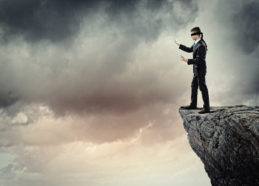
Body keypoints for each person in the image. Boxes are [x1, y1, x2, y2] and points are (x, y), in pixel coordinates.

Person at [175, 27, 210, 114]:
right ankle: (193, 104)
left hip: (200, 69)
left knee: (202, 87)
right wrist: (179, 45)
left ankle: (206, 108)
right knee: (194, 86)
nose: (190, 36)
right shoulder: (196, 43)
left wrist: (188, 60)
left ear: (196, 35)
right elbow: (189, 49)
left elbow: (199, 60)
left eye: (191, 34)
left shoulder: (201, 45)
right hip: (196, 70)